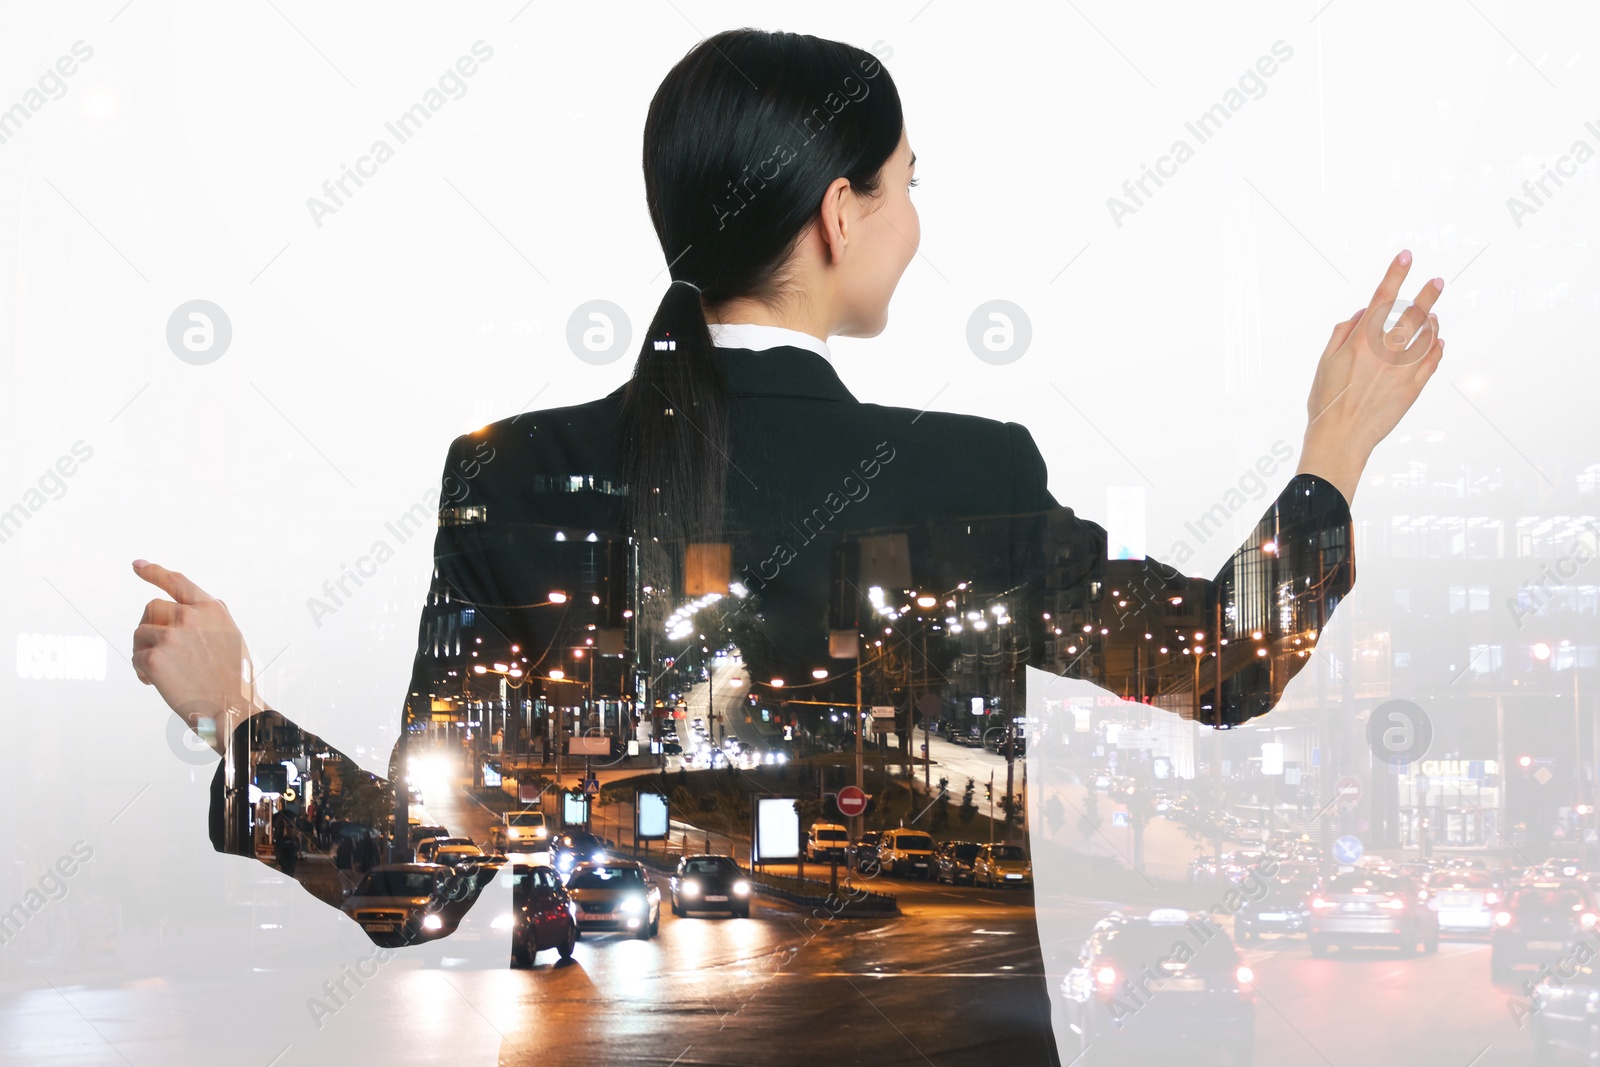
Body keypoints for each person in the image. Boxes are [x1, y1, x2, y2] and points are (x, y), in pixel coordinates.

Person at [126, 25, 1445, 1058]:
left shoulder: (515, 478)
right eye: (908, 186)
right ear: (837, 211)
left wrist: (233, 714)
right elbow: (1222, 663)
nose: (917, 223)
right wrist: (1335, 450)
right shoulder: (965, 474)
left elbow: (411, 882)